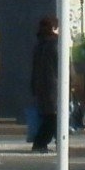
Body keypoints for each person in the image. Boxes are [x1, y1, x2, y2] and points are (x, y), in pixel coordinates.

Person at [29, 15, 61, 153]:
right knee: (53, 118)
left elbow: (35, 68)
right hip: (54, 87)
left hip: (42, 87)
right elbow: (63, 68)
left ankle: (57, 141)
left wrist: (34, 86)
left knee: (51, 117)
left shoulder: (40, 44)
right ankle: (40, 143)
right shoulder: (55, 45)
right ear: (54, 28)